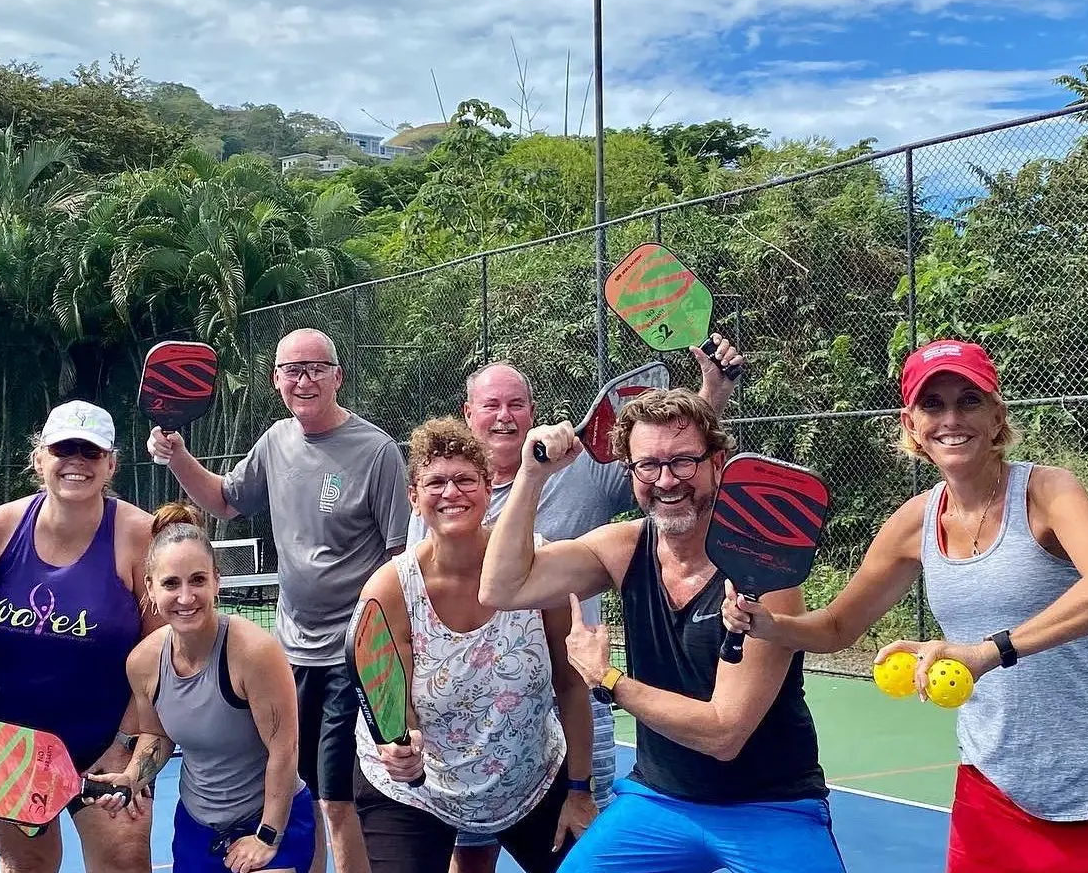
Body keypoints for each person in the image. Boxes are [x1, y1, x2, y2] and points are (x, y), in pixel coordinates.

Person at [721, 339, 1088, 873]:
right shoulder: (914, 521)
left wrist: (988, 652)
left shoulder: (1047, 491)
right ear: (911, 424)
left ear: (997, 417)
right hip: (991, 786)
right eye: (932, 405)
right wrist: (768, 623)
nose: (951, 418)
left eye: (968, 402)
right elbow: (836, 627)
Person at [407, 340, 745, 873]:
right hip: (480, 715)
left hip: (579, 688)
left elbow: (666, 467)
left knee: (584, 829)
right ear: (469, 414)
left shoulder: (580, 467)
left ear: (532, 412)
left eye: (515, 404)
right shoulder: (445, 495)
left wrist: (712, 394)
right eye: (491, 405)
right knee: (471, 854)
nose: (503, 416)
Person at [481, 388, 844, 873]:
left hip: (770, 806)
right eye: (647, 466)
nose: (666, 480)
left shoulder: (763, 576)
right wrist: (532, 476)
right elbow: (502, 586)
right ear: (630, 473)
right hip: (659, 801)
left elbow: (723, 733)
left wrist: (607, 680)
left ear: (718, 462)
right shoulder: (624, 547)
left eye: (683, 462)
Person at [148, 328, 410, 873]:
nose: (304, 378)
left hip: (352, 655)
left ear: (338, 376)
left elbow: (399, 558)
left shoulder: (377, 450)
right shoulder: (275, 442)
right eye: (292, 369)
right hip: (291, 653)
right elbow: (223, 501)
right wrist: (177, 458)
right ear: (276, 381)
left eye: (316, 367)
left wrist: (388, 650)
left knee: (338, 798)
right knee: (300, 791)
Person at [353, 417, 597, 873]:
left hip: (531, 781)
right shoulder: (389, 589)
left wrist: (580, 790)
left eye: (465, 479)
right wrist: (401, 747)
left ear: (488, 489)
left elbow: (570, 685)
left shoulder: (538, 567)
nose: (451, 492)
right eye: (436, 482)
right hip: (415, 794)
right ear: (414, 497)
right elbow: (394, 700)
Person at [0, 400, 163, 873]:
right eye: (64, 449)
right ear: (40, 457)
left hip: (108, 749)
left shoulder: (140, 536)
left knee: (125, 865)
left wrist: (124, 744)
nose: (76, 462)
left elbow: (160, 657)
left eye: (90, 452)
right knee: (24, 868)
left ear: (110, 463)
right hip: (11, 751)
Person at [88, 502, 316, 873]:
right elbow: (156, 736)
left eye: (197, 580)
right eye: (170, 583)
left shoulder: (254, 653)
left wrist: (266, 837)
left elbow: (284, 749)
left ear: (217, 581)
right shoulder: (143, 662)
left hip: (273, 819)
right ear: (150, 587)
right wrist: (131, 778)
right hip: (196, 826)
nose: (185, 597)